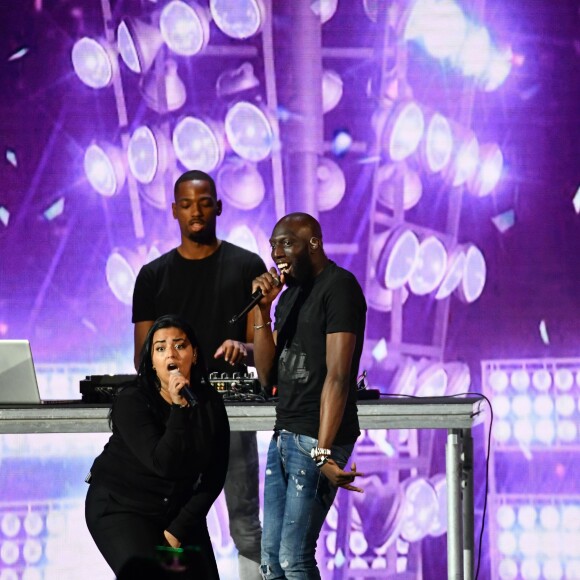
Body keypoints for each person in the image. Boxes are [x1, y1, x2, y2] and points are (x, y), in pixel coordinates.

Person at [132, 169, 266, 579]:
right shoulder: (153, 276)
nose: (196, 211)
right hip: (173, 417)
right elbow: (142, 357)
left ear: (219, 207)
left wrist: (240, 349)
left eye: (205, 202)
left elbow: (262, 353)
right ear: (173, 210)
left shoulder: (247, 266)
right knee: (175, 522)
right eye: (187, 204)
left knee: (244, 522)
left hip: (230, 413)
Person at [252, 212, 367, 579]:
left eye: (287, 242)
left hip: (318, 438)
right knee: (271, 560)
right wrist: (263, 310)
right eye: (273, 245)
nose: (277, 252)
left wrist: (323, 450)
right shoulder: (287, 298)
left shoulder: (340, 287)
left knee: (294, 556)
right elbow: (268, 377)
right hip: (285, 435)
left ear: (314, 242)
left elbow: (338, 376)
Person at [85, 314, 230, 579]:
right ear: (152, 361)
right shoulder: (133, 401)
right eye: (160, 348)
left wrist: (179, 528)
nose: (170, 354)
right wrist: (178, 409)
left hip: (175, 508)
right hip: (122, 505)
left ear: (194, 354)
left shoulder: (209, 402)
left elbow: (215, 475)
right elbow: (162, 462)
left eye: (180, 345)